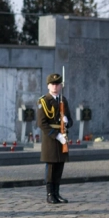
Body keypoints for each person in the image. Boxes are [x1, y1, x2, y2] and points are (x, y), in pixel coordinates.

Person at [37, 73, 73, 204]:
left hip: (62, 137)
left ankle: (57, 193)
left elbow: (71, 121)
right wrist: (56, 135)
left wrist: (67, 121)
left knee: (59, 166)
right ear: (48, 86)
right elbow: (42, 123)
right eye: (52, 84)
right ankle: (50, 193)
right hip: (51, 139)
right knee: (51, 166)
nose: (55, 86)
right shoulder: (44, 101)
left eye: (57, 84)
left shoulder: (63, 100)